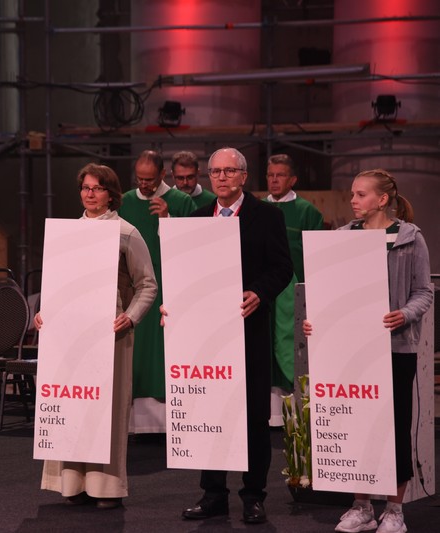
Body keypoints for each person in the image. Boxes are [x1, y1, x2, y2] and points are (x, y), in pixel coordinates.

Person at [164, 147, 292, 524]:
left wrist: (259, 291)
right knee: (210, 410)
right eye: (214, 172)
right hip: (205, 333)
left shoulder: (268, 216)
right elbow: (185, 271)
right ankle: (213, 494)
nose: (220, 177)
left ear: (242, 176)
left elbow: (282, 267)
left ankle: (253, 495)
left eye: (228, 171)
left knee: (252, 415)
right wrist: (173, 306)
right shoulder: (198, 216)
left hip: (249, 328)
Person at [303, 169, 432, 533]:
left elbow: (424, 292)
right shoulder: (342, 238)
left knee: (393, 427)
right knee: (355, 425)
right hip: (348, 350)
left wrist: (404, 314)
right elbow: (327, 293)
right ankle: (361, 506)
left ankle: (394, 510)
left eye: (361, 195)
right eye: (353, 195)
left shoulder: (409, 239)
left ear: (382, 199)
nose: (353, 201)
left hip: (394, 348)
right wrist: (316, 322)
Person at [38, 163, 157, 509]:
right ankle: (71, 483)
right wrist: (45, 313)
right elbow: (58, 285)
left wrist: (130, 318)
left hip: (110, 335)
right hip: (70, 337)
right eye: (85, 188)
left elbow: (147, 285)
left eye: (97, 188)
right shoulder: (67, 233)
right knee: (72, 404)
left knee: (108, 409)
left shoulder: (126, 231)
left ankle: (107, 487)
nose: (90, 194)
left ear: (111, 193)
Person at [118, 149, 195, 433]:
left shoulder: (181, 201)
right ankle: (134, 424)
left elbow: (193, 246)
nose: (144, 184)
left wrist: (168, 218)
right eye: (139, 178)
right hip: (132, 288)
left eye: (149, 179)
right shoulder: (125, 201)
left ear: (163, 175)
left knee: (162, 351)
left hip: (168, 283)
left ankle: (168, 424)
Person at [263, 154, 324, 424]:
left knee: (289, 346)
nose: (274, 180)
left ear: (292, 179)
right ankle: (268, 413)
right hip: (262, 291)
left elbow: (315, 255)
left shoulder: (308, 212)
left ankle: (296, 412)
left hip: (294, 292)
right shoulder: (257, 209)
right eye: (270, 175)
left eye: (280, 175)